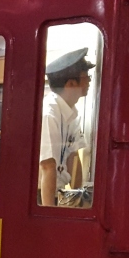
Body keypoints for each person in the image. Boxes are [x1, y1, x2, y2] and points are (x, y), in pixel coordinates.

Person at [38, 48, 93, 206]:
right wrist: (48, 214)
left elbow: (73, 158)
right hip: (42, 197)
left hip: (59, 194)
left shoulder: (71, 113)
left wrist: (79, 199)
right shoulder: (49, 114)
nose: (89, 82)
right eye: (86, 77)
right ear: (71, 84)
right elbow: (48, 167)